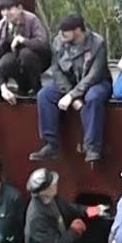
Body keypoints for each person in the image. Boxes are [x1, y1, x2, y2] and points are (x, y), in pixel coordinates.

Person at [31, 13, 112, 163]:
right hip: (68, 85)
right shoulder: (58, 41)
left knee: (93, 98)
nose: (62, 35)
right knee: (45, 95)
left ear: (78, 30)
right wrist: (70, 94)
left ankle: (92, 147)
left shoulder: (97, 43)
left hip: (95, 84)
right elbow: (56, 70)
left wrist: (72, 96)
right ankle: (51, 144)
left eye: (65, 31)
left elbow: (94, 75)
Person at [0, 0, 51, 100]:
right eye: (3, 10)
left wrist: (23, 41)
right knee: (5, 62)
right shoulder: (1, 27)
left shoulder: (32, 20)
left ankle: (36, 89)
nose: (6, 13)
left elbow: (43, 44)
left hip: (37, 59)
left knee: (26, 54)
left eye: (9, 9)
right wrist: (2, 86)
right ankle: (23, 87)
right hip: (16, 60)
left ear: (20, 8)